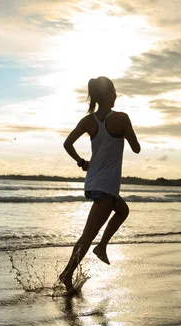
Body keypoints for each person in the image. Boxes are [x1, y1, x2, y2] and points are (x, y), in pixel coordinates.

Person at [58, 76, 141, 291]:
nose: (116, 96)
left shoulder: (89, 121)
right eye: (114, 92)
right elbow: (136, 148)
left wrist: (81, 162)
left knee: (122, 211)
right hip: (106, 186)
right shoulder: (122, 118)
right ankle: (67, 273)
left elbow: (67, 143)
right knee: (88, 235)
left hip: (94, 181)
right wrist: (126, 132)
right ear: (109, 94)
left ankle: (102, 247)